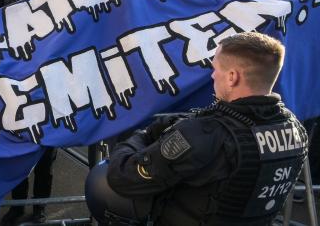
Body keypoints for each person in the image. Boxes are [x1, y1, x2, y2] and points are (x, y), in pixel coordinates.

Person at [85, 32, 308, 226]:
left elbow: (125, 177)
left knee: (102, 182)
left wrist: (138, 138)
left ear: (232, 77)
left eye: (216, 68)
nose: (212, 75)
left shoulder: (207, 135)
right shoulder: (296, 130)